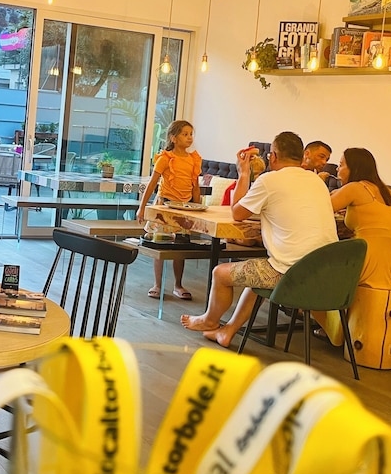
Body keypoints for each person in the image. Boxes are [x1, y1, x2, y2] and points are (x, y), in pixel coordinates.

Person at [180, 132, 338, 347]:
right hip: (327, 271)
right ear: (301, 156)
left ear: (274, 156)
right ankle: (227, 332)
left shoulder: (270, 180)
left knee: (220, 273)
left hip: (290, 272)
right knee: (257, 276)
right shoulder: (317, 181)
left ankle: (209, 320)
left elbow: (237, 213)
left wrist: (244, 173)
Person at [326, 147, 391, 370]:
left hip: (366, 255)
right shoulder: (389, 193)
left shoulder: (355, 188)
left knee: (322, 271)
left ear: (354, 168)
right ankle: (338, 329)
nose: (338, 170)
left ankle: (330, 327)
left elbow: (322, 206)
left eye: (341, 165)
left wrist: (319, 182)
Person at [137, 120, 202, 301]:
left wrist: (198, 209)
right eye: (185, 134)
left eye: (191, 134)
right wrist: (142, 208)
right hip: (164, 207)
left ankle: (178, 285)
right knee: (161, 246)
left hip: (184, 209)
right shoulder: (165, 158)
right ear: (174, 138)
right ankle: (157, 284)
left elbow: (196, 187)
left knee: (180, 248)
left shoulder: (194, 159)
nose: (189, 138)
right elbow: (152, 184)